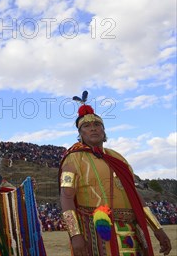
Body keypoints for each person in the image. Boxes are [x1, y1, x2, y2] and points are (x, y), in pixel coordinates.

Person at [59, 91, 172, 256]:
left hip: (132, 229)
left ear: (104, 131)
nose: (93, 129)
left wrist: (157, 227)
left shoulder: (118, 158)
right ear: (80, 134)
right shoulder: (73, 158)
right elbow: (66, 197)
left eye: (97, 125)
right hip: (96, 230)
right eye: (87, 126)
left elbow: (134, 194)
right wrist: (75, 234)